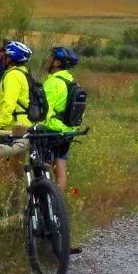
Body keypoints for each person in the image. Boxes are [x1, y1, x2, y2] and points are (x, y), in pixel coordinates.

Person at [41, 45, 82, 195]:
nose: (48, 59)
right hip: (68, 131)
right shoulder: (71, 81)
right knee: (60, 169)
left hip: (51, 131)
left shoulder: (53, 82)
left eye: (51, 57)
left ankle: (44, 202)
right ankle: (58, 204)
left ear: (57, 63)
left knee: (43, 168)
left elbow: (45, 110)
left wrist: (37, 127)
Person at [0, 39, 35, 132]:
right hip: (25, 123)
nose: (3, 59)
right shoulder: (23, 73)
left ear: (10, 59)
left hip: (15, 126)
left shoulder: (13, 75)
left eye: (5, 56)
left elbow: (9, 102)